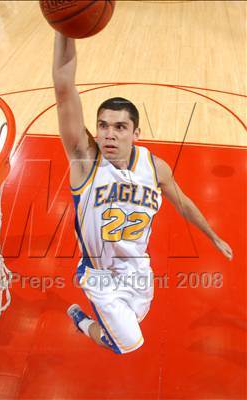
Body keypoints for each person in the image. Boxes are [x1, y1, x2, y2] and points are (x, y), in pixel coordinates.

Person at [52, 32, 233, 355]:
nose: (109, 134)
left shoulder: (154, 167)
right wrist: (63, 27)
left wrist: (213, 236)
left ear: (136, 133)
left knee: (136, 317)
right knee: (127, 344)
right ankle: (80, 319)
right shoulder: (86, 160)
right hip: (100, 276)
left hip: (139, 271)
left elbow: (184, 203)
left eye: (120, 127)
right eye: (103, 125)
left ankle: (101, 320)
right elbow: (64, 88)